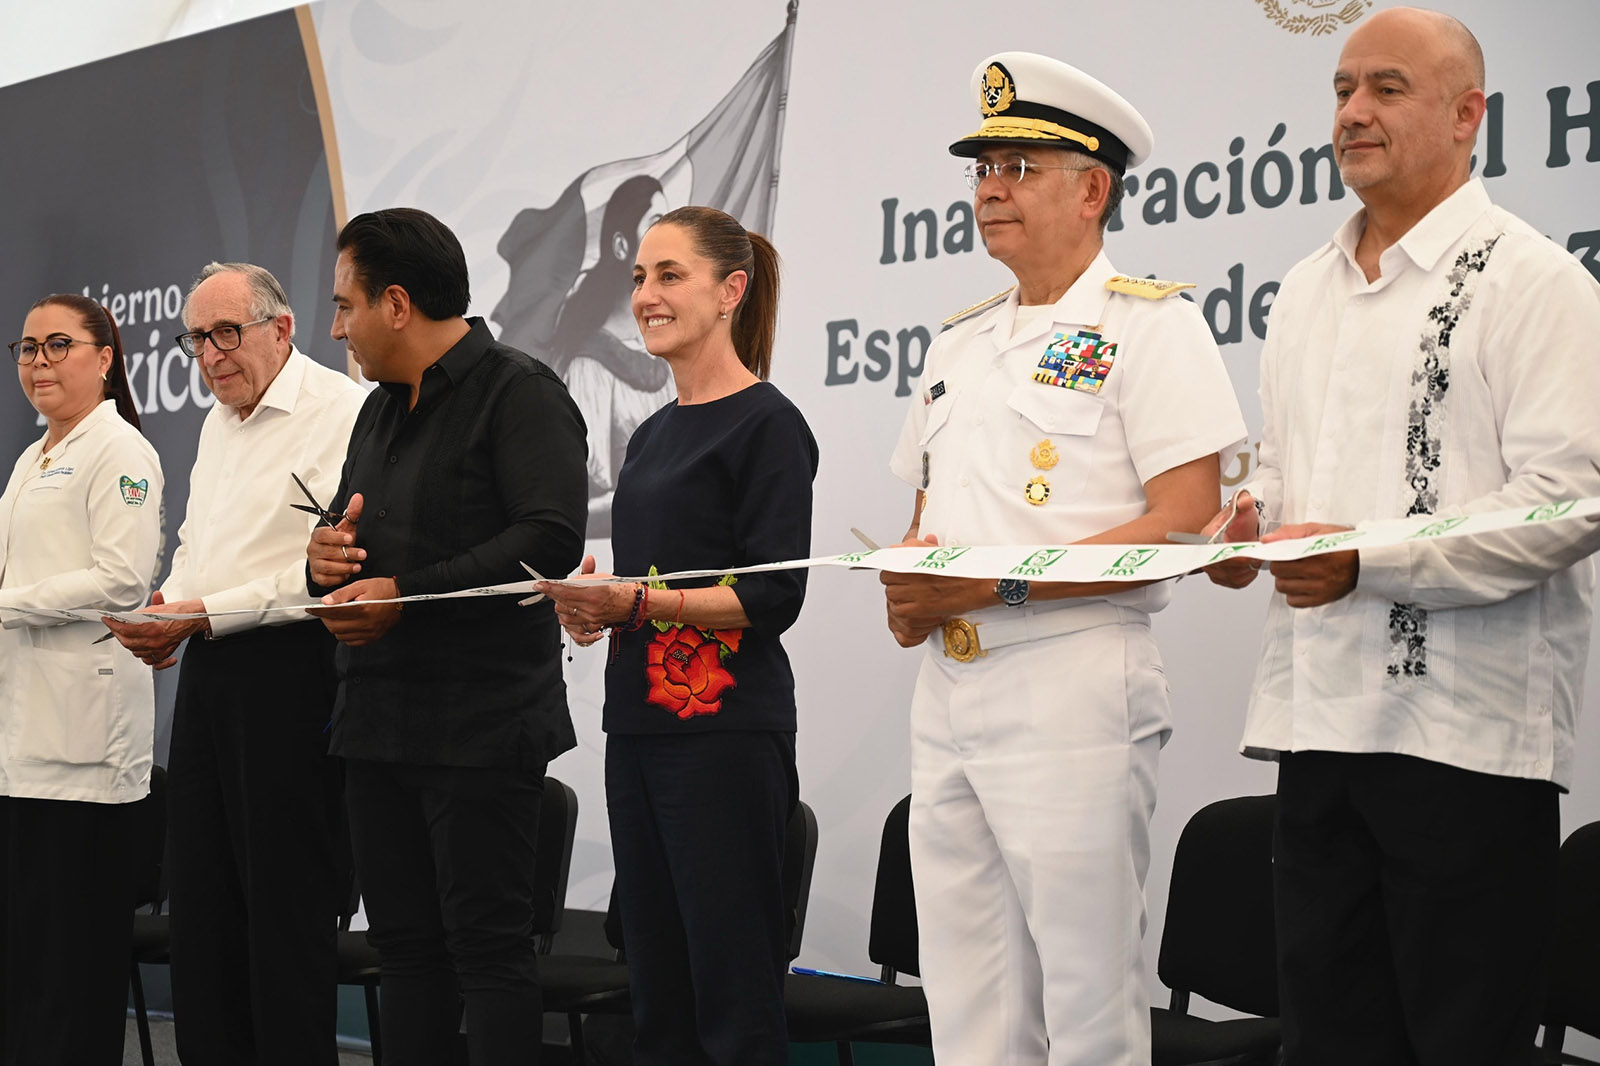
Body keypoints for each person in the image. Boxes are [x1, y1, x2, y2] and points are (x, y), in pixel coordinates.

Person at [1203, 10, 1600, 1065]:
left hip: (1464, 745)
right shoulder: (1302, 290)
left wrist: (1365, 560)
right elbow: (1285, 475)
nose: (1353, 112)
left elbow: (1569, 501)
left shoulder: (1536, 281)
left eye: (1386, 87)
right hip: (1317, 727)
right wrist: (1248, 529)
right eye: (1342, 89)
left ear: (1468, 115)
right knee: (1325, 1045)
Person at [881, 54, 1246, 1065]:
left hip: (1072, 677)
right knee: (967, 998)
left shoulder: (1151, 325)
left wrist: (990, 582)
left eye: (1019, 167)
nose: (991, 189)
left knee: (1088, 1003)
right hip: (948, 683)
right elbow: (926, 515)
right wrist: (908, 587)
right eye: (983, 169)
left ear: (1093, 191)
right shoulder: (957, 343)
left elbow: (1184, 520)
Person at [537, 206, 818, 1066]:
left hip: (724, 736)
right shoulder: (653, 434)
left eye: (669, 275)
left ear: (731, 291)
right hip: (640, 729)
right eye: (639, 278)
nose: (645, 295)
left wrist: (639, 604)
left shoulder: (768, 422)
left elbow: (773, 595)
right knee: (657, 991)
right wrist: (594, 608)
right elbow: (651, 587)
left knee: (732, 995)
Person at [306, 207, 587, 1066]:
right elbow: (348, 537)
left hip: (481, 725)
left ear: (396, 304)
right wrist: (322, 558)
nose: (337, 328)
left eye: (346, 304)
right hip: (375, 722)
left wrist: (406, 595)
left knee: (487, 953)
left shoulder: (521, 391)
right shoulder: (375, 413)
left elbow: (548, 539)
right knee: (403, 951)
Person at [103, 262, 365, 1064]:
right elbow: (198, 545)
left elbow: (326, 573)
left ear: (281, 329)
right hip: (210, 670)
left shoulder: (342, 411)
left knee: (284, 910)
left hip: (295, 672)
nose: (211, 355)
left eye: (227, 333)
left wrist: (201, 611)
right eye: (197, 339)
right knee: (202, 905)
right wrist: (170, 608)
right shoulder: (218, 423)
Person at [0, 295, 160, 1064]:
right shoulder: (32, 457)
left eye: (57, 344)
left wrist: (8, 605)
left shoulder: (119, 449)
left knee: (73, 969)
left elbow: (122, 580)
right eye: (27, 348)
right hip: (23, 744)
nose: (38, 362)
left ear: (105, 358)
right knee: (27, 966)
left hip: (87, 753)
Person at [554, 175, 675, 534]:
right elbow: (587, 493)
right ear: (622, 246)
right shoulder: (589, 367)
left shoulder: (674, 353)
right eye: (656, 225)